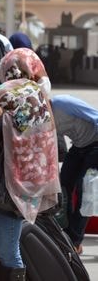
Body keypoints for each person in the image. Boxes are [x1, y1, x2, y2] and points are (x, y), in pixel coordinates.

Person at [0, 48, 59, 281]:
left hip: (11, 186)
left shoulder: (35, 96)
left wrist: (4, 119)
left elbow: (37, 139)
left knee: (9, 252)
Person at [51, 94, 98, 255]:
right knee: (63, 186)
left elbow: (95, 116)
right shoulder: (40, 119)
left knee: (84, 193)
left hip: (95, 145)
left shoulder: (62, 103)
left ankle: (74, 241)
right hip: (78, 147)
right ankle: (67, 234)